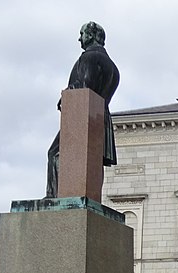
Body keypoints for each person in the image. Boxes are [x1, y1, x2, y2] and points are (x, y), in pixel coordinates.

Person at [46, 22, 120, 198]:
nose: (79, 38)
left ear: (92, 35)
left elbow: (83, 88)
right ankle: (90, 197)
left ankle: (55, 196)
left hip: (82, 115)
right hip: (100, 118)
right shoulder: (113, 67)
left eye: (82, 33)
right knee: (94, 162)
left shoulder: (89, 58)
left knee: (55, 153)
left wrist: (66, 97)